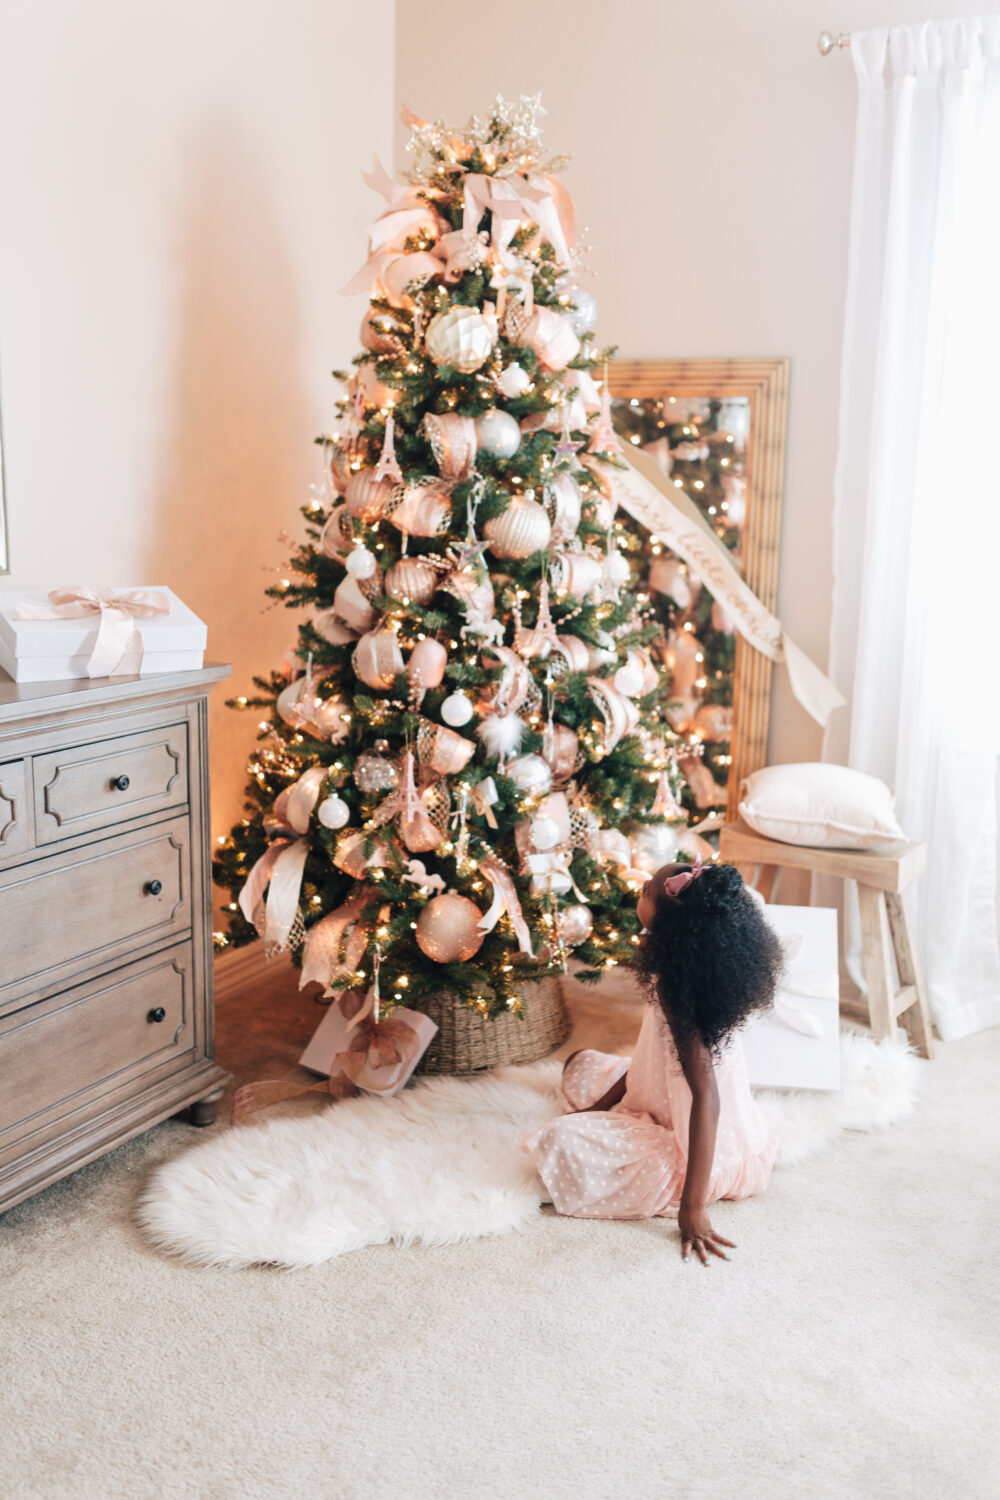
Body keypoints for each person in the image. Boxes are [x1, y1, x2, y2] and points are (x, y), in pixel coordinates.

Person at [523, 860, 783, 1263]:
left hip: (692, 1144)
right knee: (578, 1063)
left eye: (646, 891)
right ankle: (602, 1114)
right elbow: (650, 1060)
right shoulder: (689, 968)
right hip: (658, 1092)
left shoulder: (680, 995)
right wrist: (596, 1109)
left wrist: (693, 1208)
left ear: (670, 921)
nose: (638, 892)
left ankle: (686, 1187)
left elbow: (706, 1099)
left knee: (558, 1143)